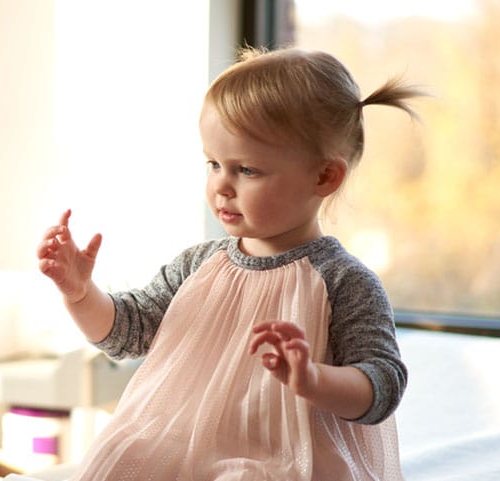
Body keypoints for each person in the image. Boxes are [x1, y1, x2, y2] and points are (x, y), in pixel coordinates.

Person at [37, 47, 424, 480]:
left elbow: (383, 385)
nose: (221, 185)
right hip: (188, 440)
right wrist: (80, 293)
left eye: (247, 170)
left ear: (324, 177)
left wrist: (314, 380)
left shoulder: (344, 282)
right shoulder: (199, 265)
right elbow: (129, 333)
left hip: (287, 453)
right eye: (214, 163)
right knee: (123, 455)